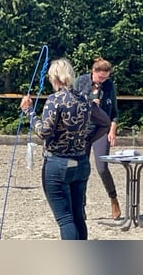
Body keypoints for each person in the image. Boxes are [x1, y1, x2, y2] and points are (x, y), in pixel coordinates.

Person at [20, 57, 110, 240]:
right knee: (78, 216)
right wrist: (87, 141)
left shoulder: (55, 100)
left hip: (58, 163)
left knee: (65, 219)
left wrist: (30, 113)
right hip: (81, 163)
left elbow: (44, 132)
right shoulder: (85, 99)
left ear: (54, 78)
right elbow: (105, 123)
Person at [74, 57, 121, 220]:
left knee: (102, 168)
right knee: (81, 169)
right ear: (93, 72)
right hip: (82, 131)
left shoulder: (109, 86)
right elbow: (71, 104)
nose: (103, 80)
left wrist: (112, 130)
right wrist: (88, 103)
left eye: (106, 77)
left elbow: (114, 112)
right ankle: (81, 206)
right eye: (101, 77)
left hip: (102, 130)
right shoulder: (80, 82)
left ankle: (113, 198)